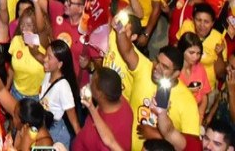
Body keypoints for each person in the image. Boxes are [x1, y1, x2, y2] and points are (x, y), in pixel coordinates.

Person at [114, 19, 201, 151]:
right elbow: (127, 52)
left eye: (165, 67)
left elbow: (191, 145)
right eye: (157, 61)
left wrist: (157, 135)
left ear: (176, 74)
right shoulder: (144, 68)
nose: (157, 68)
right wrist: (120, 30)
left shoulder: (188, 101)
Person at [75, 67, 134, 151]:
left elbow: (111, 143)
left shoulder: (118, 130)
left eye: (92, 82)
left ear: (99, 94)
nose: (89, 83)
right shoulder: (114, 95)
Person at [39, 39, 82, 147]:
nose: (44, 59)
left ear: (60, 64)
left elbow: (74, 122)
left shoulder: (63, 87)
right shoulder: (48, 74)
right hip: (45, 125)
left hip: (55, 133)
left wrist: (83, 144)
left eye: (49, 57)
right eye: (45, 55)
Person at [176, 32, 211, 120]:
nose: (195, 57)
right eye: (191, 53)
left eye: (198, 53)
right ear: (182, 50)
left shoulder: (200, 68)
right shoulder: (174, 69)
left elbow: (204, 96)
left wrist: (200, 115)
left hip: (195, 114)